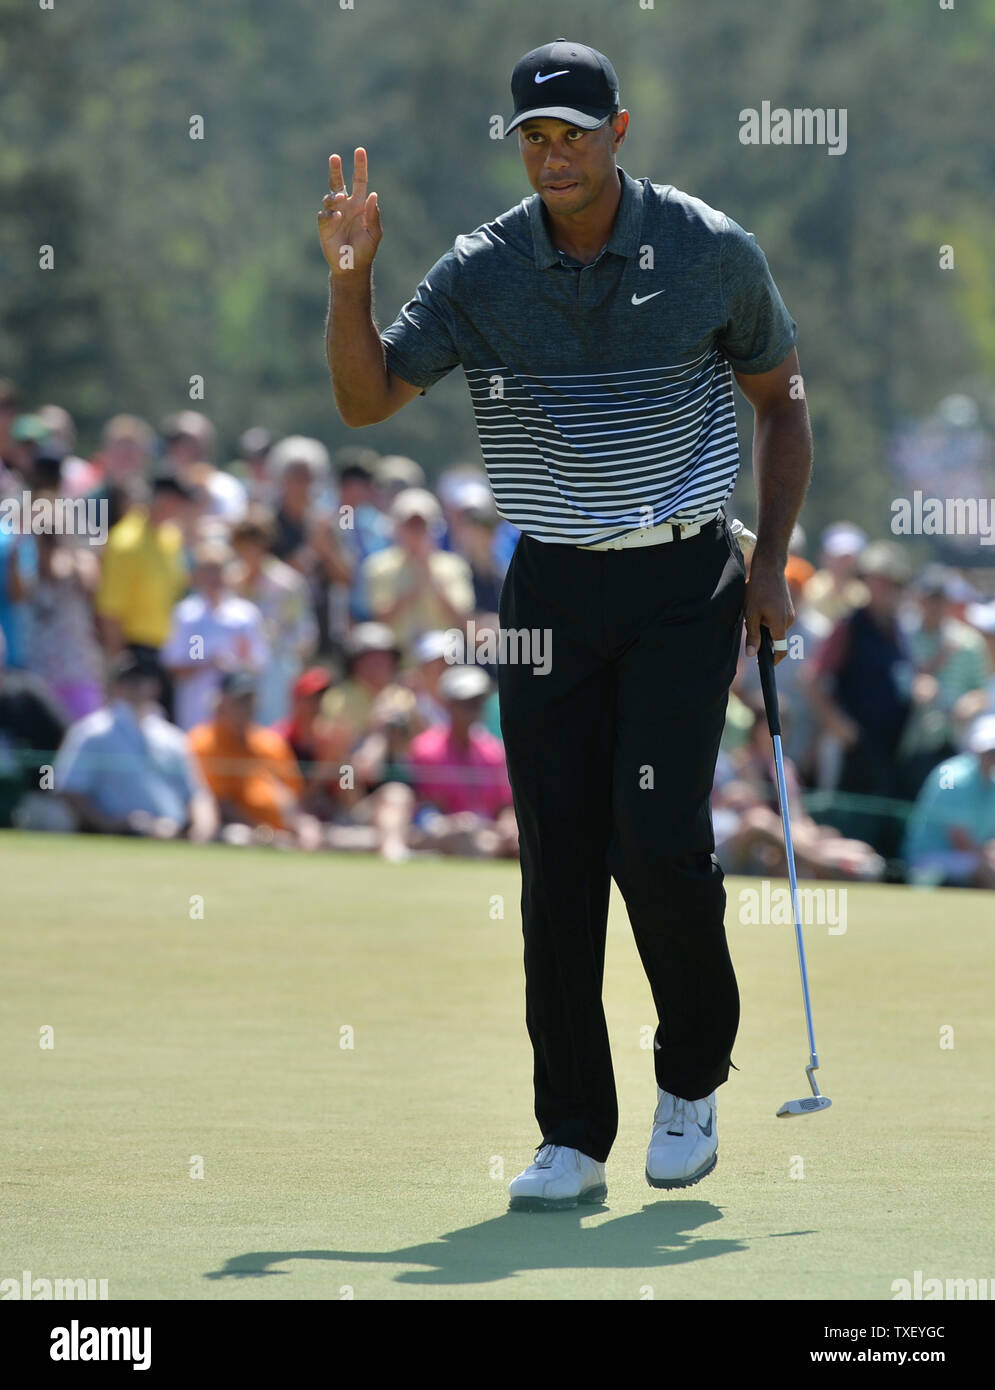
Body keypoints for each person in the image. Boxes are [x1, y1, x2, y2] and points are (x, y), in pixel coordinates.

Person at [320, 38, 811, 1208]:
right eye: (534, 138)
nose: (553, 156)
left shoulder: (705, 250)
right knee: (553, 867)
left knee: (652, 836)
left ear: (618, 131)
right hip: (546, 592)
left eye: (572, 135)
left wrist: (775, 564)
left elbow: (780, 398)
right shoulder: (482, 269)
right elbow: (366, 398)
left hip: (681, 582)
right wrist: (349, 282)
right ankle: (572, 1135)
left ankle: (688, 1073)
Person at [53, 651, 217, 841]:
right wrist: (110, 825)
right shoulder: (91, 733)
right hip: (118, 838)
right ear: (117, 686)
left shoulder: (173, 738)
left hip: (175, 837)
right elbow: (69, 791)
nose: (140, 687)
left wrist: (200, 834)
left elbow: (197, 795)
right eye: (131, 681)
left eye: (146, 680)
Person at [188, 671, 322, 850]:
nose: (245, 708)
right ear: (222, 703)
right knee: (238, 836)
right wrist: (263, 831)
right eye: (239, 701)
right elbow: (218, 802)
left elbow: (291, 797)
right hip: (238, 830)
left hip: (281, 833)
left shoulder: (271, 743)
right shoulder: (203, 741)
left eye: (249, 700)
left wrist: (303, 825)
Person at [903, 713, 995, 888]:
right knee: (986, 871)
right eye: (990, 751)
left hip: (968, 856)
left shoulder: (992, 781)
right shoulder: (952, 775)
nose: (992, 758)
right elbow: (958, 838)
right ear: (975, 748)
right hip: (929, 859)